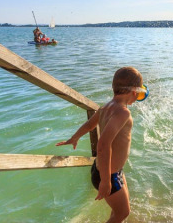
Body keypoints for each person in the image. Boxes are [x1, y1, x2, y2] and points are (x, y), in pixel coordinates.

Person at [56, 67, 147, 223]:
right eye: (139, 94)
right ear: (134, 92)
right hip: (107, 174)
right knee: (122, 213)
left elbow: (89, 125)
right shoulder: (123, 112)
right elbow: (103, 145)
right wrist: (105, 181)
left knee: (119, 210)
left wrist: (74, 137)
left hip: (108, 170)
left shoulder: (106, 107)